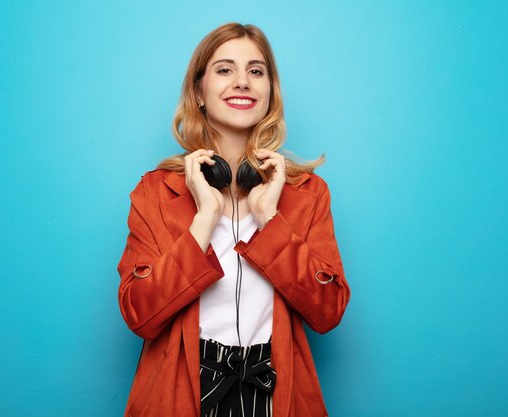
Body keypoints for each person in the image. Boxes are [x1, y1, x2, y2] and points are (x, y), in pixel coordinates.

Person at [117, 22, 350, 417]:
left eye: (256, 71)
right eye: (225, 69)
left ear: (270, 91)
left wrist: (269, 219)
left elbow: (327, 311)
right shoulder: (155, 193)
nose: (242, 82)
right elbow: (140, 315)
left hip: (274, 391)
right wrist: (204, 218)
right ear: (198, 92)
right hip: (182, 391)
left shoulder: (308, 194)